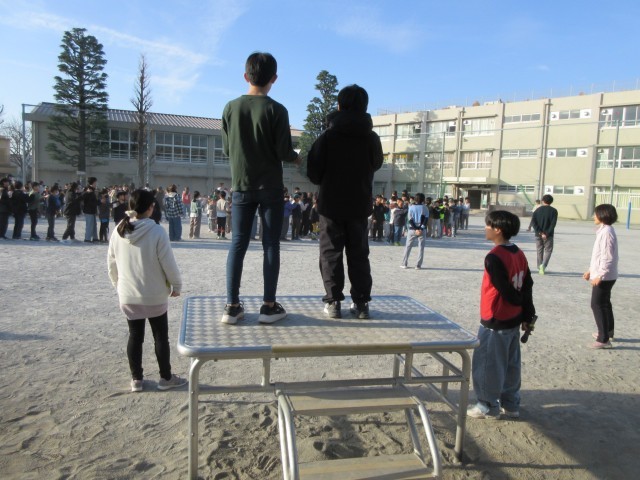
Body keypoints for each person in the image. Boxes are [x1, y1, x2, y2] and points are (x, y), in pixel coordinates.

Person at [220, 51, 300, 325]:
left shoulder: (230, 108)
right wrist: (298, 158)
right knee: (270, 244)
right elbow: (284, 152)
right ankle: (268, 306)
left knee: (238, 243)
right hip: (271, 187)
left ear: (246, 76)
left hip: (241, 185)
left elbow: (227, 149)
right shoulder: (278, 110)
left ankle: (232, 306)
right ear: (274, 79)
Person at [307, 84, 384, 319]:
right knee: (359, 254)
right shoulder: (371, 138)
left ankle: (333, 302)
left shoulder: (327, 137)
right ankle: (361, 303)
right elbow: (376, 164)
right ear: (365, 107)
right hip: (359, 205)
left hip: (331, 205)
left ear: (339, 106)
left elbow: (313, 173)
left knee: (330, 253)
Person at [107, 189, 187, 393]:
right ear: (151, 208)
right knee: (160, 337)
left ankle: (136, 379)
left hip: (128, 294)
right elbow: (168, 263)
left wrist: (118, 285)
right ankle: (165, 377)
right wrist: (176, 285)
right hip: (154, 294)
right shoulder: (157, 231)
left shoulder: (119, 230)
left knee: (135, 336)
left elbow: (111, 263)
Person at [467, 211, 536, 419]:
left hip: (496, 320)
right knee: (510, 364)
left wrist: (522, 308)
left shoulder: (494, 257)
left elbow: (506, 291)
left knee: (487, 364)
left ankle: (487, 405)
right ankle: (511, 403)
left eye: (488, 225)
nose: (485, 228)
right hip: (513, 318)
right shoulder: (518, 253)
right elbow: (527, 285)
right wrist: (527, 313)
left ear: (498, 229)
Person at [583, 204, 619, 349]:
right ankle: (608, 331)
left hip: (605, 276)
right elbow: (598, 255)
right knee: (604, 303)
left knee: (597, 304)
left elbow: (607, 257)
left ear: (603, 215)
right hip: (605, 274)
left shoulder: (607, 232)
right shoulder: (604, 230)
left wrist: (600, 275)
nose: (594, 216)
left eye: (596, 214)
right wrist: (590, 270)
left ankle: (603, 339)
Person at [530, 194, 558, 274]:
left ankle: (539, 266)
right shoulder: (554, 211)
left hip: (538, 234)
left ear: (542, 201)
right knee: (548, 250)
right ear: (551, 201)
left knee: (539, 250)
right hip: (549, 235)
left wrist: (540, 232)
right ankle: (544, 265)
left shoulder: (537, 210)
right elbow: (553, 224)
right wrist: (547, 233)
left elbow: (533, 222)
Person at [401, 193, 429, 269]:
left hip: (412, 229)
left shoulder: (411, 207)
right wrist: (420, 228)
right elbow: (426, 219)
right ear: (423, 199)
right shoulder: (425, 208)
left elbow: (410, 219)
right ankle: (418, 265)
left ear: (415, 199)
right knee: (421, 248)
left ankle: (404, 263)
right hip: (422, 230)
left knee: (408, 246)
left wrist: (415, 229)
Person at [82, 177, 99, 243]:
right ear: (93, 182)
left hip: (92, 210)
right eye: (95, 182)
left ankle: (95, 238)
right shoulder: (88, 189)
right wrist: (99, 202)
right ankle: (87, 238)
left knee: (94, 225)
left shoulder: (93, 190)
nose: (96, 183)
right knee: (89, 225)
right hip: (88, 210)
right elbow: (84, 198)